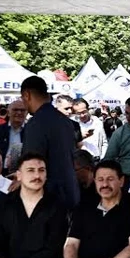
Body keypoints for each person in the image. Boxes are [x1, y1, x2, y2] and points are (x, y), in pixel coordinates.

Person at [18, 76, 80, 210]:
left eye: (22, 98)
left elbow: (32, 163)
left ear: (27, 95)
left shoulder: (36, 123)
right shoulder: (66, 122)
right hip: (70, 191)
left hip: (47, 197)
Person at [0, 100, 28, 171]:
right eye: (15, 110)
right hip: (1, 171)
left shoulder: (31, 130)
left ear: (26, 113)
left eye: (22, 110)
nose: (19, 113)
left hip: (24, 170)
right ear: (8, 112)